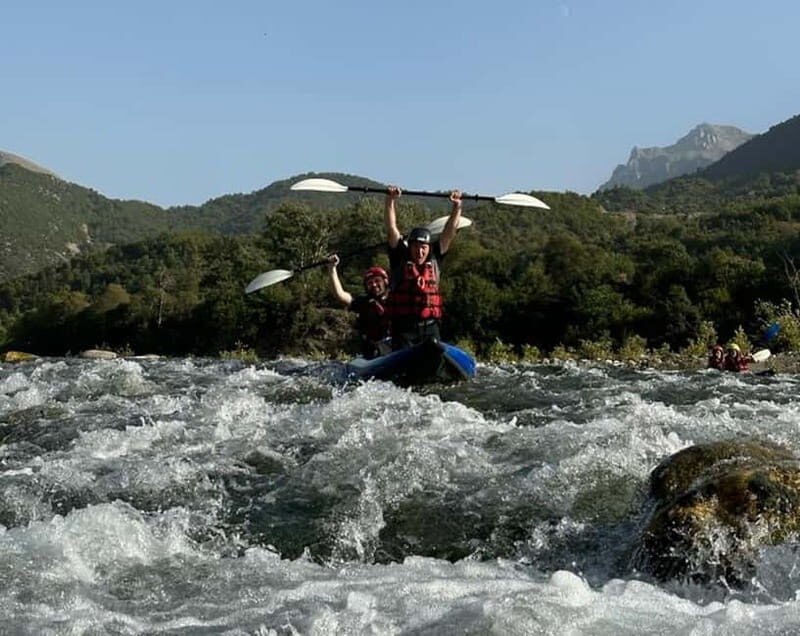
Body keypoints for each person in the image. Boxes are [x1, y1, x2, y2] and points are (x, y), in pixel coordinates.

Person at [384, 185, 462, 350]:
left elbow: (450, 231)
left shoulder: (435, 259)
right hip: (404, 329)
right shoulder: (400, 258)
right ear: (409, 246)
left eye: (423, 247)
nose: (419, 251)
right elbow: (391, 229)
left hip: (430, 327)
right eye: (416, 246)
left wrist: (457, 207)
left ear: (428, 248)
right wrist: (390, 200)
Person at [327, 254, 391, 359]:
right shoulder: (363, 302)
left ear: (385, 281)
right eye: (370, 283)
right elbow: (340, 295)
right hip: (375, 350)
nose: (374, 285)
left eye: (377, 281)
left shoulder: (397, 296)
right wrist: (332, 269)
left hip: (397, 342)